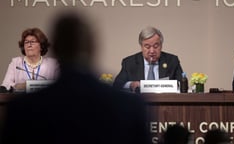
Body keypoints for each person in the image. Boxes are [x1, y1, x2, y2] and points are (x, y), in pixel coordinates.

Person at [0, 9, 151, 144]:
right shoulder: (130, 106)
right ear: (93, 48)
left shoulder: (21, 109)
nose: (29, 45)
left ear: (55, 48)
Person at [113, 26, 184, 92]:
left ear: (161, 45)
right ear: (141, 46)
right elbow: (117, 84)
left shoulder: (172, 61)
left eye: (156, 46)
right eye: (147, 46)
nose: (152, 51)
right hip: (139, 103)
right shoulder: (129, 63)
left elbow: (182, 84)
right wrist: (131, 84)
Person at [0, 28, 59, 92]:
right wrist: (20, 86)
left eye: (33, 42)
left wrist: (36, 85)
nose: (29, 45)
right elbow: (5, 86)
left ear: (41, 46)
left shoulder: (52, 64)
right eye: (26, 42)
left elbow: (60, 85)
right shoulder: (16, 63)